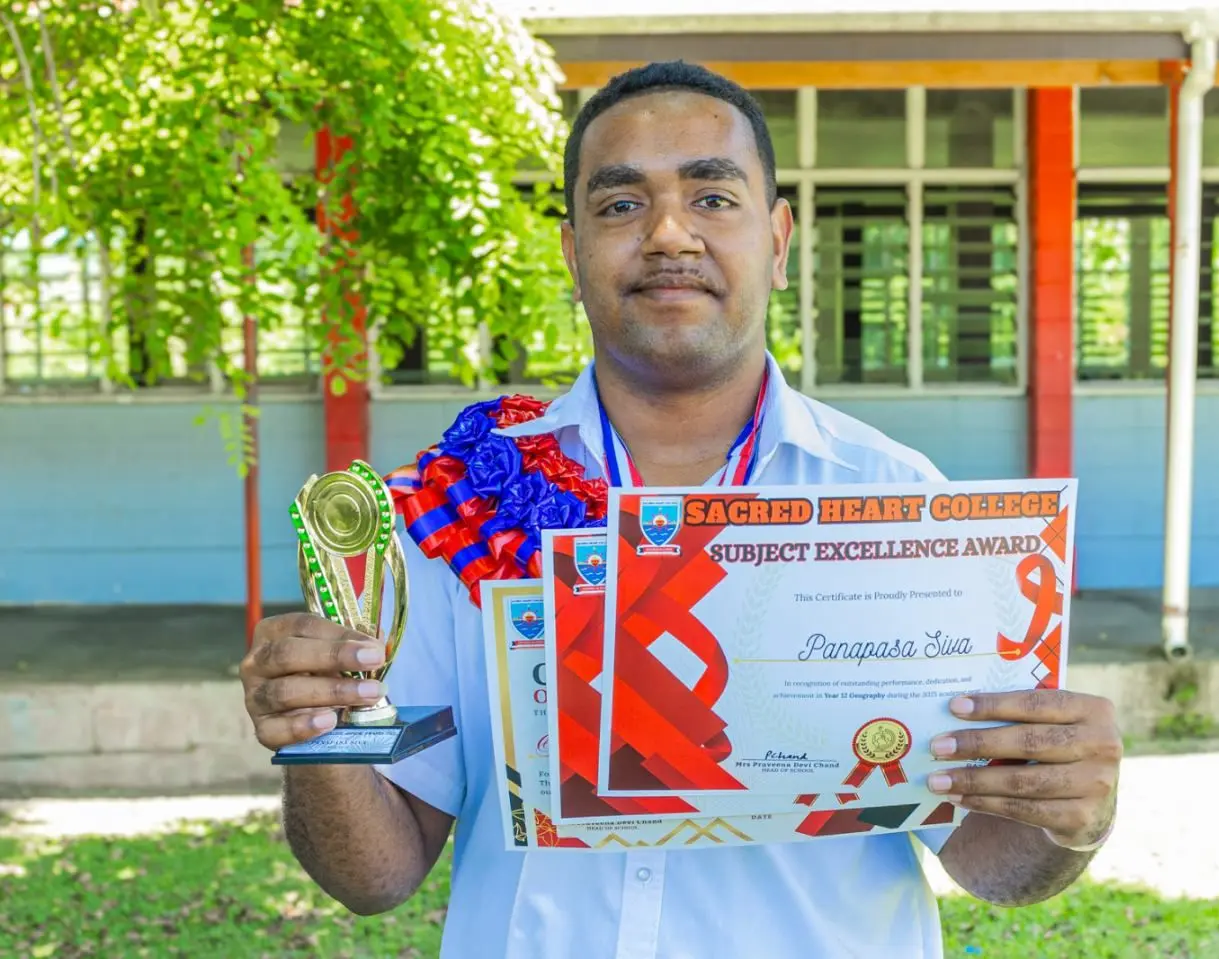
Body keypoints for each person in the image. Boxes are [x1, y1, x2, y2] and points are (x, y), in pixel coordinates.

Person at [239, 60, 1122, 958]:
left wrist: (1072, 813)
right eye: (621, 204)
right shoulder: (465, 503)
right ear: (571, 251)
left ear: (778, 241)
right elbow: (377, 874)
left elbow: (991, 863)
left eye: (712, 198)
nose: (668, 233)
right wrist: (320, 732)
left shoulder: (900, 507)